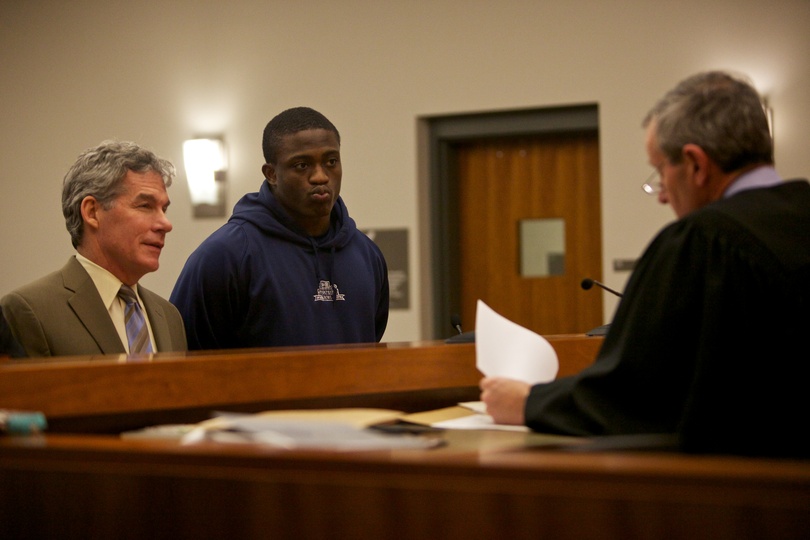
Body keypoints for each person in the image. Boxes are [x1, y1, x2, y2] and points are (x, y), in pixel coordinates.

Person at [480, 71, 810, 458]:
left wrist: (527, 402)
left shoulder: (702, 243)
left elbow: (633, 398)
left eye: (661, 172)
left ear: (696, 164)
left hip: (742, 485)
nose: (662, 196)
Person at [170, 107, 389, 349]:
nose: (320, 176)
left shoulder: (367, 254)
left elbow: (371, 340)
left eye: (331, 161)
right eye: (302, 165)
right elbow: (183, 354)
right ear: (271, 174)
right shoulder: (225, 255)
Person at [1, 141, 187, 357]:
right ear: (92, 212)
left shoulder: (169, 317)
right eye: (145, 206)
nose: (165, 224)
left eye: (164, 209)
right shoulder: (30, 310)